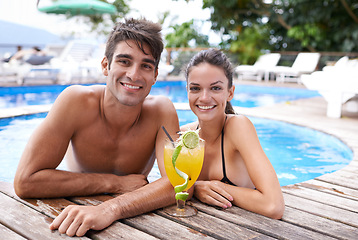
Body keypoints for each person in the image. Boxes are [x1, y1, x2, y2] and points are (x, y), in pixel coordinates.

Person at [14, 18, 179, 237]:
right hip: (70, 216)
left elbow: (178, 183)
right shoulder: (75, 102)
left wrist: (111, 209)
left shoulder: (161, 111)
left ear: (155, 76)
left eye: (146, 66)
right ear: (105, 65)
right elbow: (25, 181)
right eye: (124, 61)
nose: (134, 75)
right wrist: (114, 183)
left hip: (134, 220)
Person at [181, 48, 285, 219]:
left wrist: (212, 187)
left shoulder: (238, 127)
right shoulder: (185, 136)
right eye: (195, 88)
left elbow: (273, 206)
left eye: (215, 88)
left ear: (230, 92)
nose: (205, 97)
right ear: (187, 91)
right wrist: (197, 188)